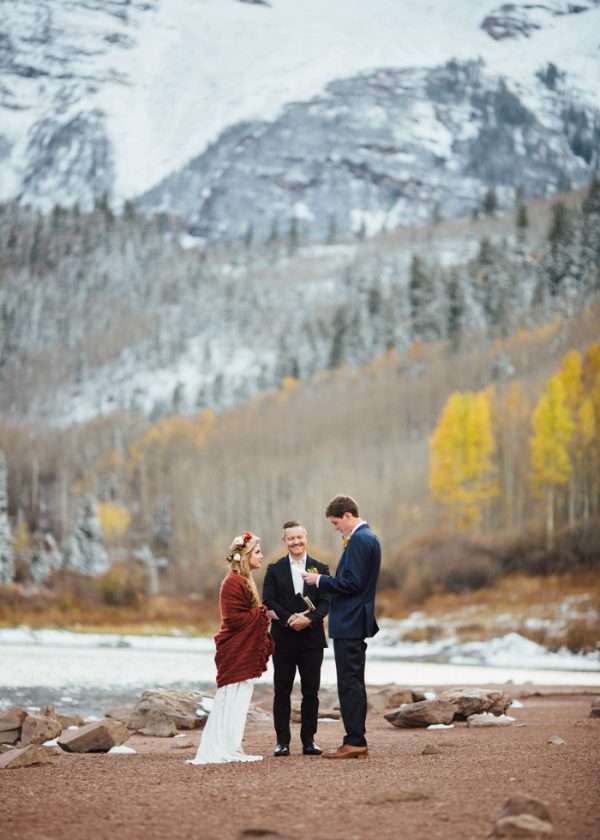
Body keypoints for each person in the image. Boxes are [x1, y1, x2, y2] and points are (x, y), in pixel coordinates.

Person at [302, 495, 380, 760]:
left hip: (350, 621)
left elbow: (352, 583)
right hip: (355, 620)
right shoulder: (367, 537)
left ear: (348, 515)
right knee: (353, 681)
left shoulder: (360, 539)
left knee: (349, 683)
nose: (335, 528)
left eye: (336, 523)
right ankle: (355, 738)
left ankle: (355, 740)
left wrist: (320, 580)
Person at [186, 531, 274, 765]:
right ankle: (220, 748)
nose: (261, 556)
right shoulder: (233, 582)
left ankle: (232, 746)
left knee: (240, 699)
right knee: (229, 698)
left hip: (239, 649)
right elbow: (235, 620)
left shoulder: (243, 580)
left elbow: (245, 615)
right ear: (244, 555)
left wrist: (263, 613)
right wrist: (264, 613)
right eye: (257, 552)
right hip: (234, 650)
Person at [262, 520, 330, 757]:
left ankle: (309, 741)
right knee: (282, 690)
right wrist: (290, 618)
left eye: (299, 537)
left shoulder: (319, 568)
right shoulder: (274, 569)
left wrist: (309, 620)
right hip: (283, 639)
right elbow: (268, 601)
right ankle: (282, 742)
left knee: (311, 691)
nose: (296, 542)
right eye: (291, 538)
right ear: (285, 541)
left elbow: (326, 602)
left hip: (312, 640)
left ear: (306, 537)